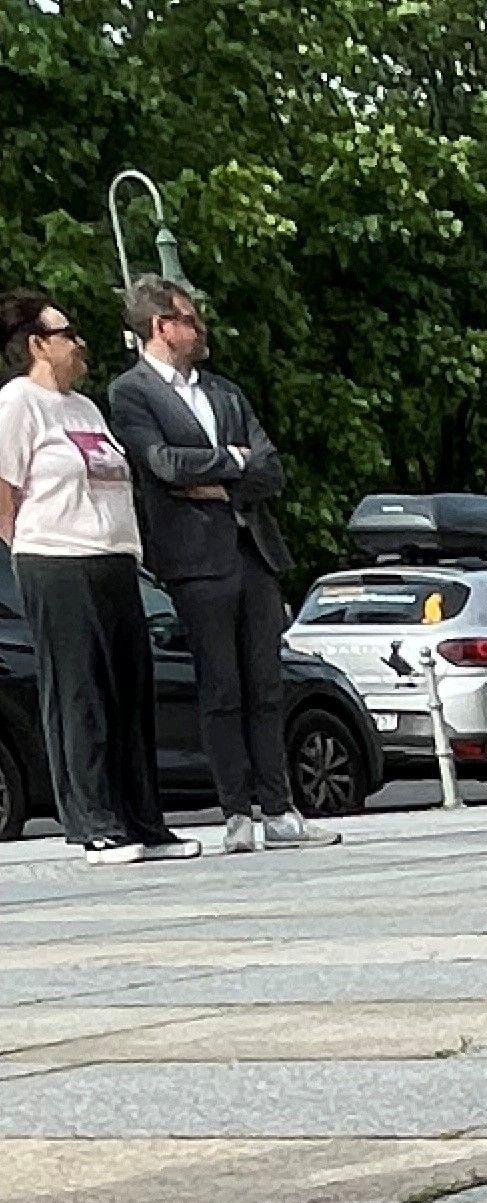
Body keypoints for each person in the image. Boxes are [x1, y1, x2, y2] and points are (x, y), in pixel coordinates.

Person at [104, 275, 300, 852]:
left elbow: (271, 468)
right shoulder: (132, 393)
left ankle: (280, 808)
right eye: (190, 320)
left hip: (253, 550)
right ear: (161, 327)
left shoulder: (224, 392)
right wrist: (235, 462)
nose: (201, 329)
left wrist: (220, 476)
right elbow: (162, 464)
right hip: (195, 559)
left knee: (266, 685)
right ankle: (237, 813)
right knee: (221, 688)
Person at [0, 288, 194, 863]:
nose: (80, 344)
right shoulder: (18, 403)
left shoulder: (84, 409)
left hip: (113, 559)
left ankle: (143, 820)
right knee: (78, 692)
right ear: (37, 344)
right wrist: (28, 545)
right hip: (56, 560)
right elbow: (4, 492)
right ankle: (94, 823)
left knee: (129, 691)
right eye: (67, 334)